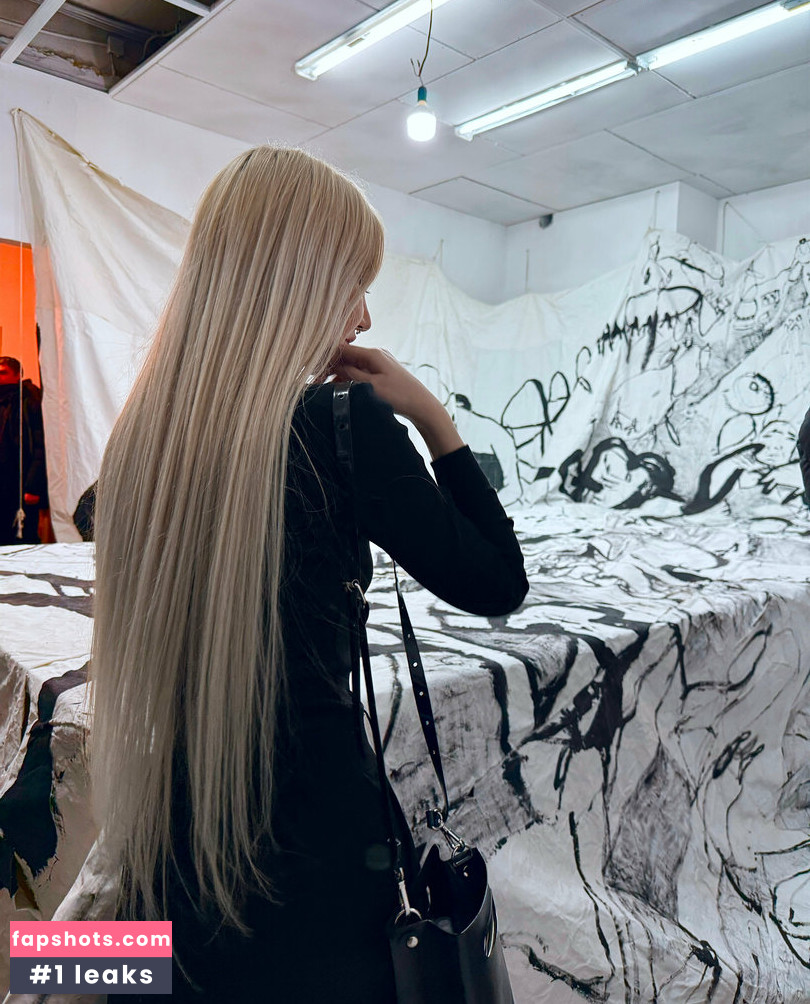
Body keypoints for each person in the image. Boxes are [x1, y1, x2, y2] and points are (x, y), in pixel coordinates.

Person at [91, 146, 529, 1003]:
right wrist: (432, 416)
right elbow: (499, 582)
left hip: (162, 875)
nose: (363, 317)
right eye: (352, 284)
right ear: (292, 282)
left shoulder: (140, 441)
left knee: (80, 971)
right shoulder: (341, 426)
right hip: (320, 877)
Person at [0, 355, 47, 544]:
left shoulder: (30, 400)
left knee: (24, 538)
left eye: (3, 372)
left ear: (17, 375)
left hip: (21, 485)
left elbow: (40, 446)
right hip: (3, 483)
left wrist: (33, 486)